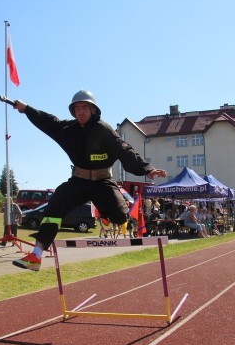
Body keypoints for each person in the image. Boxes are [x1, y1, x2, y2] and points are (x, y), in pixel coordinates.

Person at [10, 90, 166, 270]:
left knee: (120, 216)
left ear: (93, 110)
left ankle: (105, 213)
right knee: (55, 205)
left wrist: (149, 170)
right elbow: (47, 121)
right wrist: (26, 109)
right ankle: (36, 256)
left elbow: (127, 152)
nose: (80, 112)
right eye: (77, 109)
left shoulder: (104, 130)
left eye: (84, 107)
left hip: (103, 182)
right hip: (79, 181)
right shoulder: (68, 130)